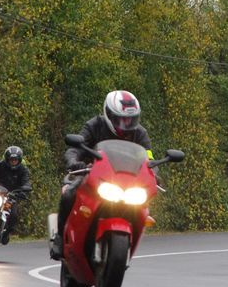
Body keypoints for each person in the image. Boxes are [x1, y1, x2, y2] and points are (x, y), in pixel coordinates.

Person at [50, 90, 153, 260]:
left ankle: (127, 244)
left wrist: (154, 174)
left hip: (127, 181)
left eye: (131, 119)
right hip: (93, 175)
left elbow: (149, 159)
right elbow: (75, 148)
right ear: (109, 114)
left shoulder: (140, 133)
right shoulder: (94, 125)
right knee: (69, 194)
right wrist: (74, 161)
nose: (126, 124)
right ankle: (60, 238)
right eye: (121, 119)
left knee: (143, 208)